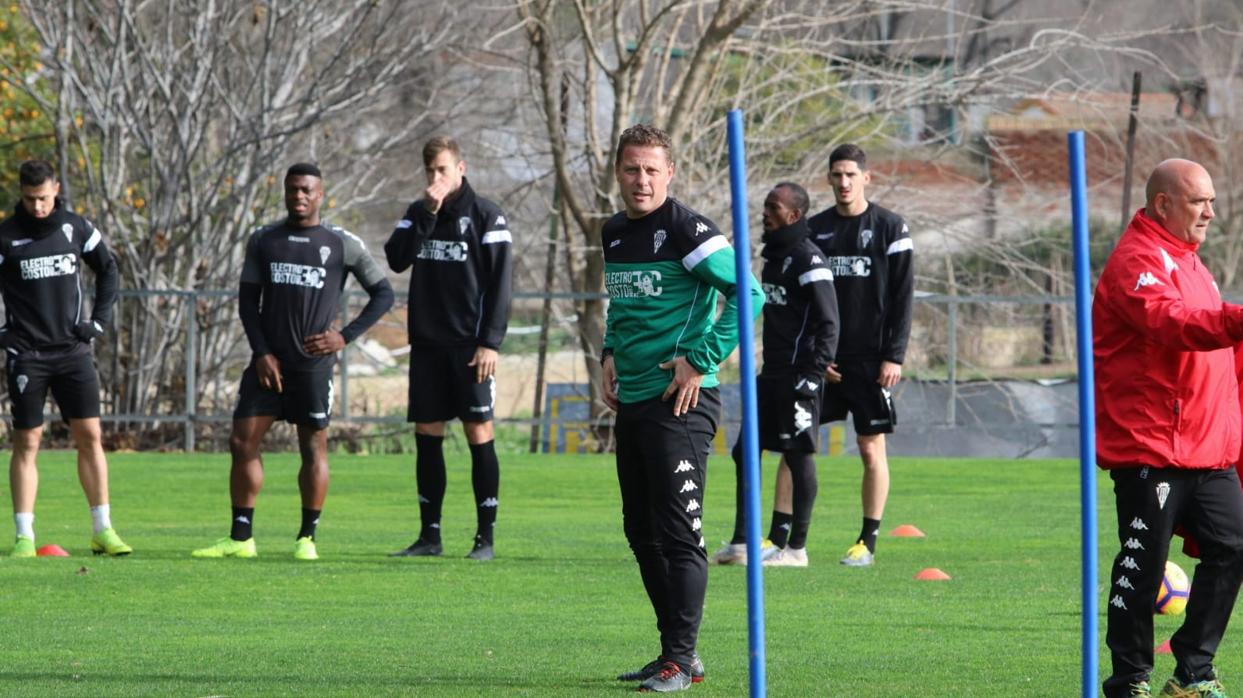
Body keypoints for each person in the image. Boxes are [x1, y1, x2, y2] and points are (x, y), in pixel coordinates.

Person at [603, 124, 764, 692]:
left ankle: (682, 656)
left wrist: (698, 359)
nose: (641, 179)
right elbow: (621, 304)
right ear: (617, 171)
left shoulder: (688, 229)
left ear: (669, 173)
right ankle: (675, 654)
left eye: (651, 169)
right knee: (640, 532)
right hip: (636, 402)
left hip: (683, 404)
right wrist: (607, 352)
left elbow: (750, 294)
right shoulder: (615, 233)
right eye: (631, 169)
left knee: (679, 534)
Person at [192, 163, 394, 561]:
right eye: (292, 190)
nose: (298, 196)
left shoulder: (341, 243)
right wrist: (262, 352)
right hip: (268, 362)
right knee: (241, 441)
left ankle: (306, 538)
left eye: (306, 190)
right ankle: (240, 538)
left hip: (313, 366)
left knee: (313, 447)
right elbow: (248, 302)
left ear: (320, 195)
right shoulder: (264, 240)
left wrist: (344, 337)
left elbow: (383, 294)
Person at [1095, 158, 1243, 698]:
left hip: (1207, 452)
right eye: (1199, 201)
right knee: (1144, 562)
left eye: (1210, 200)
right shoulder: (1137, 260)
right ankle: (1129, 678)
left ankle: (1192, 673)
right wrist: (1237, 318)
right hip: (1151, 447)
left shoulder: (1194, 264)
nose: (1211, 211)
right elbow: (1173, 323)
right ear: (1164, 205)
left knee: (1235, 545)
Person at [766, 143, 913, 567]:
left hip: (872, 363)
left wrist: (894, 356)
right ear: (828, 179)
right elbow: (803, 300)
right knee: (796, 444)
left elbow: (903, 297)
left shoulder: (890, 227)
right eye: (837, 175)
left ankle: (867, 541)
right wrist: (815, 355)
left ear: (867, 178)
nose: (844, 182)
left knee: (870, 449)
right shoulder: (813, 230)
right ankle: (778, 538)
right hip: (823, 363)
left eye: (851, 174)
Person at [384, 136, 513, 561]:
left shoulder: (487, 215)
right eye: (430, 172)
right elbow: (396, 258)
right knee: (427, 437)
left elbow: (500, 285)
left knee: (479, 433)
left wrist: (490, 342)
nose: (436, 179)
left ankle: (485, 538)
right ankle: (430, 537)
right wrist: (426, 212)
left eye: (443, 169)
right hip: (427, 347)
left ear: (462, 167)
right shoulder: (419, 212)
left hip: (471, 349)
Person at [0, 159, 130, 558]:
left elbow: (108, 269)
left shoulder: (77, 228)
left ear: (55, 188)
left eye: (42, 198)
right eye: (28, 199)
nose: (36, 207)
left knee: (90, 437)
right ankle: (24, 536)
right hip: (28, 355)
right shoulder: (6, 235)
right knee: (28, 441)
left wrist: (98, 322)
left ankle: (102, 530)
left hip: (73, 353)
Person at [712, 182, 838, 568]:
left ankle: (796, 549)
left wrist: (814, 373)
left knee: (799, 456)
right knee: (744, 451)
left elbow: (829, 321)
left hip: (800, 377)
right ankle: (742, 543)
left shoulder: (808, 260)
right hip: (772, 375)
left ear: (794, 215)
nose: (765, 213)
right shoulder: (773, 257)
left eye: (773, 207)